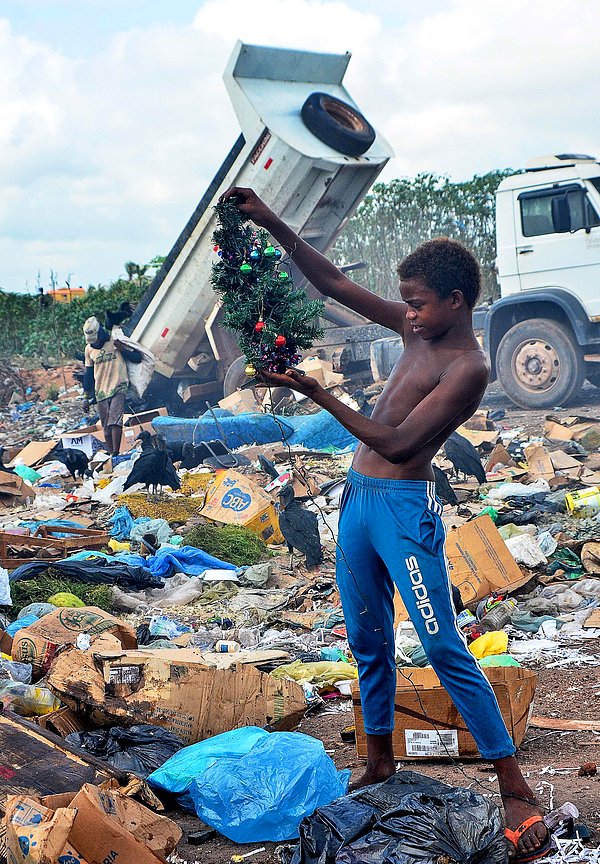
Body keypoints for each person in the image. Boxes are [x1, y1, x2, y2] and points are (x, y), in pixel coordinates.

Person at [221, 187, 550, 863]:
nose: (410, 312)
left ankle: (514, 785)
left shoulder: (468, 368)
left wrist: (320, 394)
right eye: (407, 302)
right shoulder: (414, 329)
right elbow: (335, 282)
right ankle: (377, 761)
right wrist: (273, 221)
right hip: (358, 503)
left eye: (421, 302)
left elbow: (400, 444)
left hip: (402, 508)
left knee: (441, 647)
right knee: (366, 642)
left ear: (456, 301)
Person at [82, 316, 142, 456]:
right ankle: (111, 454)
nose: (94, 343)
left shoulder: (115, 342)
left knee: (115, 420)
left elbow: (137, 357)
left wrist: (122, 350)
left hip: (119, 386)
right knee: (105, 426)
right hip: (101, 391)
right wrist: (85, 397)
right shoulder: (89, 350)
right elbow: (88, 374)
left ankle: (115, 452)